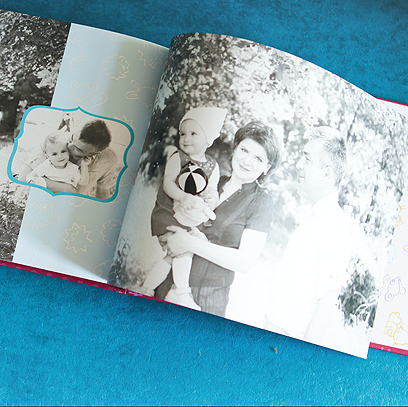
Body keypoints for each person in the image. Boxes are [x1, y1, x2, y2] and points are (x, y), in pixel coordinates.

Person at [158, 121, 281, 316]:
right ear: (235, 148)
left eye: (258, 158)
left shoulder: (261, 202)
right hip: (168, 286)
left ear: (267, 167)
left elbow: (243, 262)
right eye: (244, 150)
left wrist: (189, 243)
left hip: (205, 303)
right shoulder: (211, 181)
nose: (247, 161)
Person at [263, 126, 364, 347]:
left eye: (307, 159)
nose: (299, 164)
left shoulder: (335, 226)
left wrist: (303, 356)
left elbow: (325, 305)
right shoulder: (315, 218)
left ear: (327, 172)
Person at [134, 107, 227, 309]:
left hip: (189, 218)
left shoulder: (213, 166)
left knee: (173, 254)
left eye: (193, 133)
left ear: (209, 139)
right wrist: (183, 196)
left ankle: (147, 288)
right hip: (168, 214)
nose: (186, 139)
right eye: (183, 133)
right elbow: (168, 184)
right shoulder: (178, 157)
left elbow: (212, 192)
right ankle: (181, 292)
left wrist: (210, 202)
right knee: (182, 251)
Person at [18, 118, 119, 200]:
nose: (69, 146)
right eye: (71, 139)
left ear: (94, 153)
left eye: (78, 149)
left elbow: (103, 191)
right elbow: (23, 179)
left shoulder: (108, 159)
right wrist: (68, 189)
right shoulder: (53, 142)